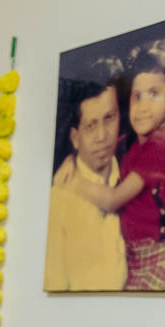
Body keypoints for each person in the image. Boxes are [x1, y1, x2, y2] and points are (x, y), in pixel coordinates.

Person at [57, 37, 165, 290]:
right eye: (137, 96)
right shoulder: (143, 137)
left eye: (153, 94)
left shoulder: (162, 144)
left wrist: (73, 181)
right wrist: (77, 156)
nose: (142, 107)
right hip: (136, 254)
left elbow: (112, 200)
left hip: (158, 255)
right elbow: (118, 145)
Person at [44, 61, 127, 292]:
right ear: (75, 137)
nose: (102, 136)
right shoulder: (58, 200)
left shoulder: (133, 176)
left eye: (109, 118)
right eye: (90, 126)